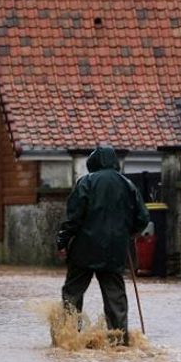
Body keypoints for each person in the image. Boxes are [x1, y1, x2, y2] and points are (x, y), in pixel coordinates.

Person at [56, 146, 149, 346]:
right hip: (115, 251)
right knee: (115, 297)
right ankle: (119, 342)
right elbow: (142, 218)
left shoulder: (86, 182)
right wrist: (128, 233)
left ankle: (68, 340)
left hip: (83, 250)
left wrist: (62, 243)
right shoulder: (128, 184)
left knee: (72, 293)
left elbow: (73, 218)